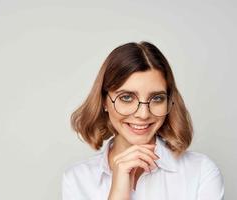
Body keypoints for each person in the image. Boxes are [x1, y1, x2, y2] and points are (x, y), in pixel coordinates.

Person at [62, 41, 224, 200]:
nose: (143, 114)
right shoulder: (77, 180)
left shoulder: (201, 172)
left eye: (157, 98)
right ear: (104, 101)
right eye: (126, 97)